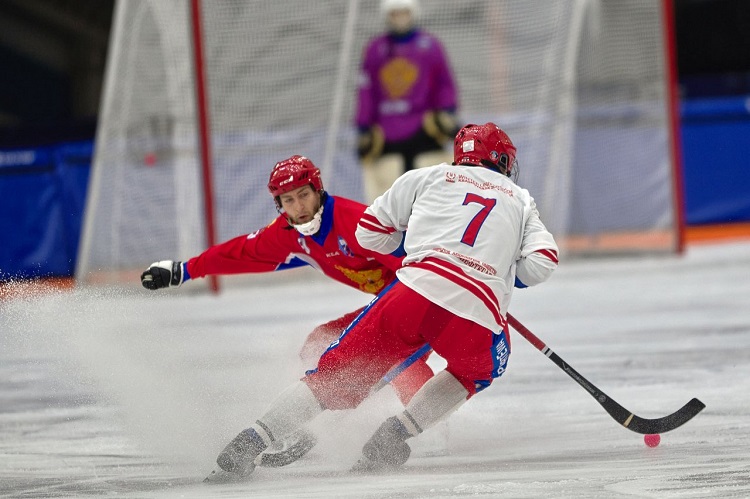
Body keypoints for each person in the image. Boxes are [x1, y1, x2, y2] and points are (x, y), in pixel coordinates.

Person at [207, 123, 558, 480]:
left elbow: (368, 233)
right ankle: (397, 433)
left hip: (412, 293)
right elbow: (541, 265)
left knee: (335, 374)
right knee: (477, 371)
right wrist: (501, 273)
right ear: (501, 160)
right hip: (478, 312)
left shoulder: (428, 177)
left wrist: (423, 252)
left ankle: (251, 440)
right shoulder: (520, 198)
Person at [140, 155, 435, 416]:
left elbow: (417, 267)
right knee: (319, 342)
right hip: (393, 299)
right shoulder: (288, 234)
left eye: (303, 194)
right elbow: (243, 251)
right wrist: (185, 270)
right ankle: (332, 418)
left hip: (429, 293)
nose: (299, 206)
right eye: (288, 200)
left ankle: (428, 424)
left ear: (317, 191)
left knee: (393, 350)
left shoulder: (357, 222)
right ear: (279, 205)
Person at [356, 0, 459, 203]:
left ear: (412, 13)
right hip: (387, 134)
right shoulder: (375, 49)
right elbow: (366, 90)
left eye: (404, 12)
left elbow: (444, 82)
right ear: (387, 15)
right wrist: (364, 126)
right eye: (395, 13)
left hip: (424, 130)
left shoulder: (430, 46)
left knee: (434, 192)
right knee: (389, 195)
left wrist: (447, 111)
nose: (400, 18)